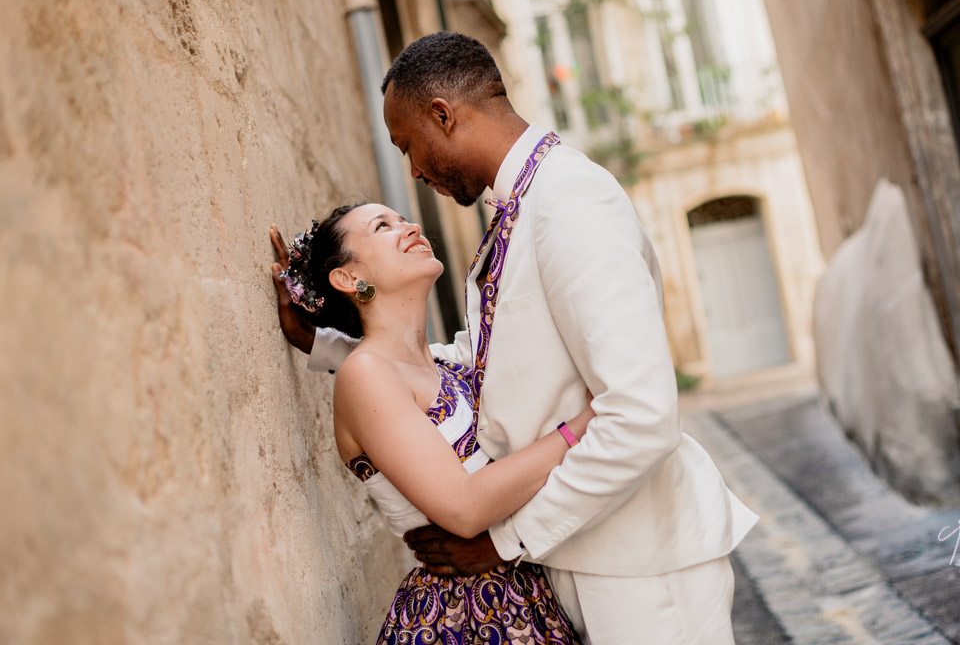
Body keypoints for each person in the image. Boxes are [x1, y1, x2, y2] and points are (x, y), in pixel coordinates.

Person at [274, 32, 757, 644]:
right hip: (580, 561)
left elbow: (641, 415)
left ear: (442, 115)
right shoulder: (522, 210)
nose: (415, 172)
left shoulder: (569, 204)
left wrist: (503, 541)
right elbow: (465, 369)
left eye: (407, 145)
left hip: (642, 566)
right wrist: (329, 343)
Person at [271, 203, 587, 644]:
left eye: (403, 219)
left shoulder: (448, 366)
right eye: (383, 226)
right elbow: (464, 507)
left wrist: (314, 339)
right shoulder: (364, 375)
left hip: (528, 598)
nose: (410, 226)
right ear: (347, 279)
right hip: (464, 617)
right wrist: (582, 427)